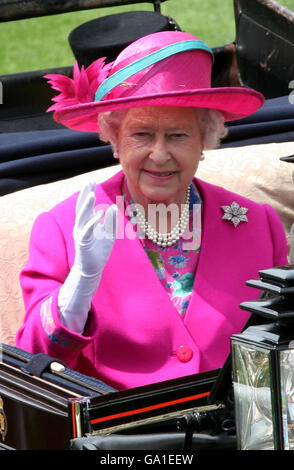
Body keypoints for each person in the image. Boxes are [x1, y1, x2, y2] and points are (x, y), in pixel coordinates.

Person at [16, 31, 288, 390]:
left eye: (178, 136)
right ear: (114, 139)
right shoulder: (64, 228)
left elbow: (281, 345)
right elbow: (32, 359)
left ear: (205, 139)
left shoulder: (257, 224)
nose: (159, 155)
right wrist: (78, 289)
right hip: (120, 435)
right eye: (141, 135)